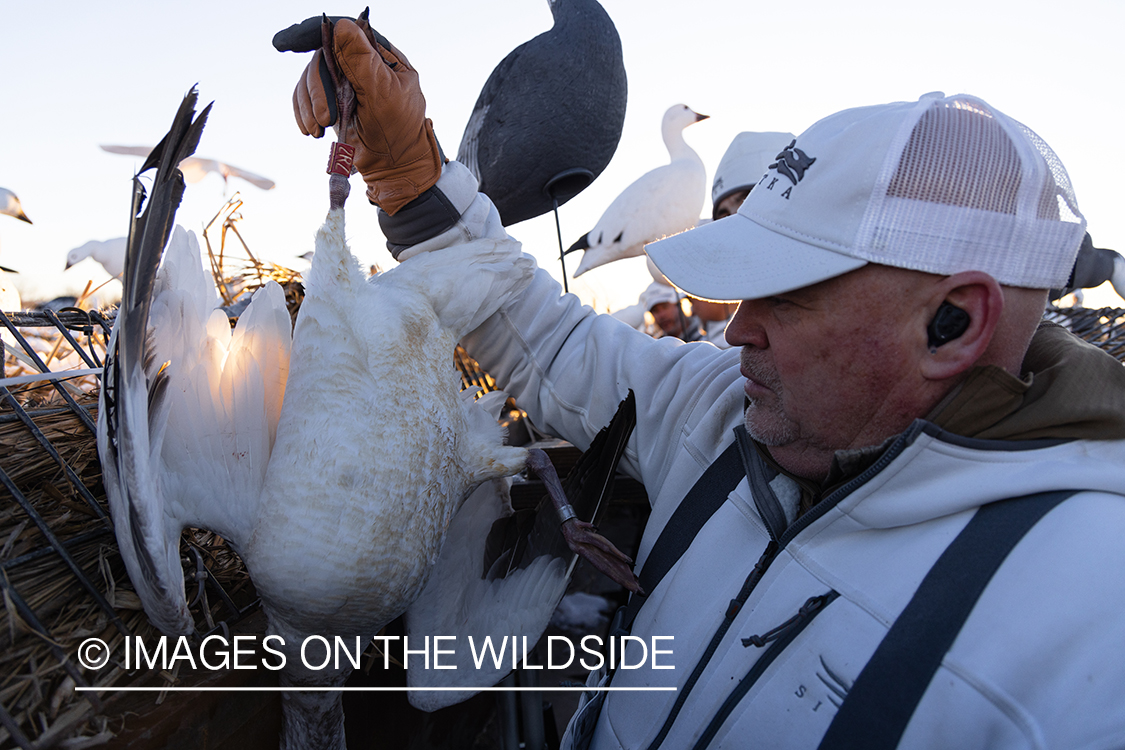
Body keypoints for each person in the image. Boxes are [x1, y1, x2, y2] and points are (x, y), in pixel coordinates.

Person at [291, 23, 1125, 749]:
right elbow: (548, 336)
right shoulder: (727, 405)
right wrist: (405, 171)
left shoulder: (1085, 636)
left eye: (788, 296)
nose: (734, 329)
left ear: (952, 322)